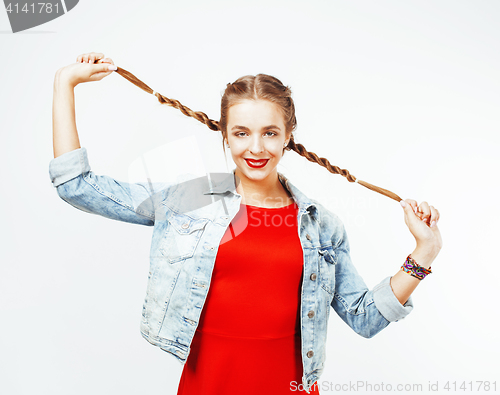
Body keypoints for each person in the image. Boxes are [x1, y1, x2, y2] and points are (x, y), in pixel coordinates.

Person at [49, 52, 442, 395]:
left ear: (288, 136)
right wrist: (64, 83)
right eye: (241, 133)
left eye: (270, 133)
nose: (256, 148)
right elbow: (77, 187)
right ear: (224, 135)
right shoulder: (189, 201)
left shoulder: (321, 226)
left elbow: (365, 317)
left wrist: (424, 253)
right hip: (209, 386)